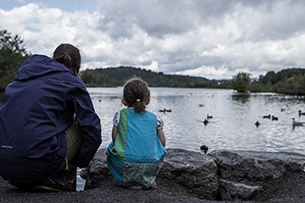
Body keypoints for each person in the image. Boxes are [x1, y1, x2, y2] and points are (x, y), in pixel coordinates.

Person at [0, 44, 102, 191]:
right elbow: (93, 131)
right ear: (77, 69)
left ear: (53, 60)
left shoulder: (19, 80)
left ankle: (30, 172)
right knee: (82, 125)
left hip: (4, 164)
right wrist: (76, 165)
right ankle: (54, 174)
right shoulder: (73, 81)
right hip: (38, 163)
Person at [107, 77, 167, 189]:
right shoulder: (156, 119)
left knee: (110, 149)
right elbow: (162, 143)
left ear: (123, 100)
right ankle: (148, 179)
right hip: (150, 165)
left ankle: (121, 178)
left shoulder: (119, 115)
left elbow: (115, 139)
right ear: (148, 100)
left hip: (125, 164)